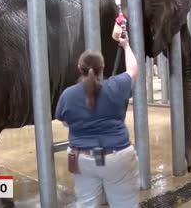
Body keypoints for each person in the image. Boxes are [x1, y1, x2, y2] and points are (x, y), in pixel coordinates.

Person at [55, 24, 139, 208]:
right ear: (102, 68)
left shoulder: (68, 95)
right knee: (125, 203)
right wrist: (125, 45)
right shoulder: (116, 86)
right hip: (117, 156)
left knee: (86, 203)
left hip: (82, 158)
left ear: (79, 68)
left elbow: (64, 121)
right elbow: (133, 71)